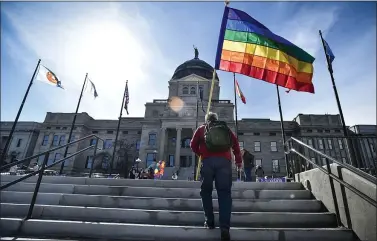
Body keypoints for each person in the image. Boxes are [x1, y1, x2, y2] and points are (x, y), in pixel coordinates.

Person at [190, 112, 242, 241]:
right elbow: (235, 145)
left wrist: (201, 154)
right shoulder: (226, 129)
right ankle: (224, 228)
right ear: (217, 120)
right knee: (224, 194)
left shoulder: (202, 129)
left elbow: (192, 145)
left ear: (207, 120)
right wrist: (238, 161)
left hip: (207, 162)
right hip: (224, 163)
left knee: (206, 192)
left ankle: (210, 221)